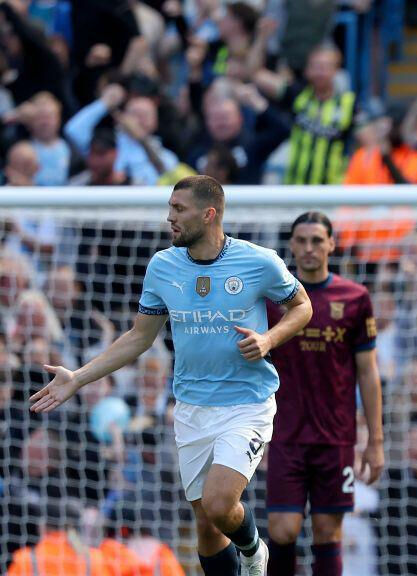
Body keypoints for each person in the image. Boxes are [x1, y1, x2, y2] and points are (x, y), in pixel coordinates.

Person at [29, 175, 314, 576]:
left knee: (219, 504)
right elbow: (139, 337)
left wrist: (269, 339)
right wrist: (78, 377)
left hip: (246, 405)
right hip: (191, 408)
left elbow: (302, 306)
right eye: (170, 208)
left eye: (179, 209)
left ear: (209, 214)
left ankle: (253, 550)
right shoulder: (163, 266)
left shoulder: (258, 261)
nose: (170, 218)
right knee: (206, 525)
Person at [265, 211, 385, 576]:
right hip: (285, 436)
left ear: (331, 244)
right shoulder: (273, 299)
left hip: (335, 438)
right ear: (291, 245)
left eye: (317, 240)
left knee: (327, 532)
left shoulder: (355, 298)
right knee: (282, 530)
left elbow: (368, 371)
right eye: (301, 241)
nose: (309, 248)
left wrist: (375, 441)